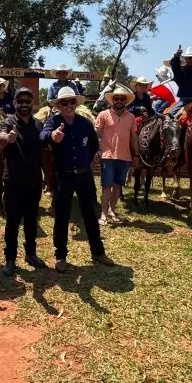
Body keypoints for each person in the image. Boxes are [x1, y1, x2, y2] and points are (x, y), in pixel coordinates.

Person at [41, 86, 115, 272]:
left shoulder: (84, 123)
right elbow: (42, 136)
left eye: (71, 102)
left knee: (90, 214)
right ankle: (60, 255)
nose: (68, 105)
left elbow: (93, 144)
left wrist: (86, 161)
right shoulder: (53, 121)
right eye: (64, 102)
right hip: (63, 176)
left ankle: (98, 252)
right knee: (62, 216)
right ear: (58, 105)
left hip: (84, 175)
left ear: (76, 103)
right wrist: (52, 135)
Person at [0, 87, 49, 279]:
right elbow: (2, 138)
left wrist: (46, 176)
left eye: (28, 101)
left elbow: (43, 150)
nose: (24, 105)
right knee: (12, 221)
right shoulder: (8, 122)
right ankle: (10, 259)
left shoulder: (38, 124)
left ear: (32, 104)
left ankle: (31, 254)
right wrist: (7, 138)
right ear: (15, 104)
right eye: (21, 101)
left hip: (34, 180)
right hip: (13, 181)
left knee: (31, 219)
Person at [94, 83, 140, 224]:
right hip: (107, 156)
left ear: (126, 101)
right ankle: (103, 214)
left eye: (122, 99)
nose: (119, 101)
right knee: (106, 187)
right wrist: (97, 149)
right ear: (112, 100)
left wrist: (136, 155)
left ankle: (112, 211)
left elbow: (133, 137)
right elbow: (96, 134)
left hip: (125, 157)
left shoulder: (131, 117)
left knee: (117, 187)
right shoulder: (103, 115)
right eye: (116, 99)